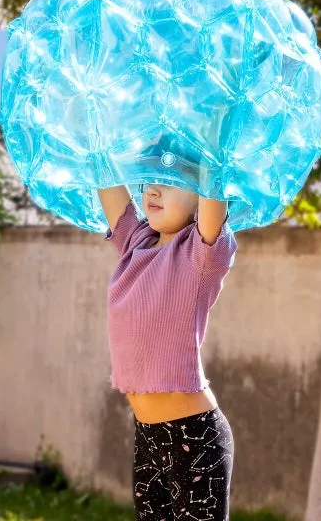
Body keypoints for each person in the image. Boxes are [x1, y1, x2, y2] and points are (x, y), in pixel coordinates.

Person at [98, 182, 237, 520]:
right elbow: (104, 171)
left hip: (195, 435)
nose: (153, 192)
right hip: (148, 437)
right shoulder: (136, 242)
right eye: (149, 182)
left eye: (170, 183)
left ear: (200, 199)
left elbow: (213, 173)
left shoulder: (204, 253)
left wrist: (211, 146)